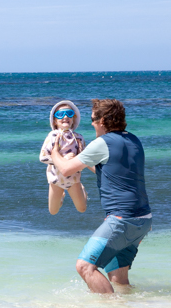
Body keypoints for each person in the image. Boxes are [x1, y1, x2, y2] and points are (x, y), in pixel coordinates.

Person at [50, 98, 152, 293]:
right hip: (144, 221)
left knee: (85, 266)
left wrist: (55, 152)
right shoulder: (134, 140)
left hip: (122, 220)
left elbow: (64, 170)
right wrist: (83, 158)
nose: (91, 123)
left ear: (103, 121)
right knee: (118, 277)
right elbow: (110, 171)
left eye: (93, 119)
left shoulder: (102, 143)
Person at [39, 100, 89, 215]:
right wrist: (64, 160)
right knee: (53, 211)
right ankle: (61, 195)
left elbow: (84, 160)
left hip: (73, 180)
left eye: (69, 113)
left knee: (82, 209)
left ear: (73, 119)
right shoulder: (53, 136)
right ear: (55, 121)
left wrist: (75, 159)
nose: (65, 116)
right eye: (60, 114)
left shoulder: (79, 138)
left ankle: (82, 189)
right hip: (56, 179)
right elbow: (43, 157)